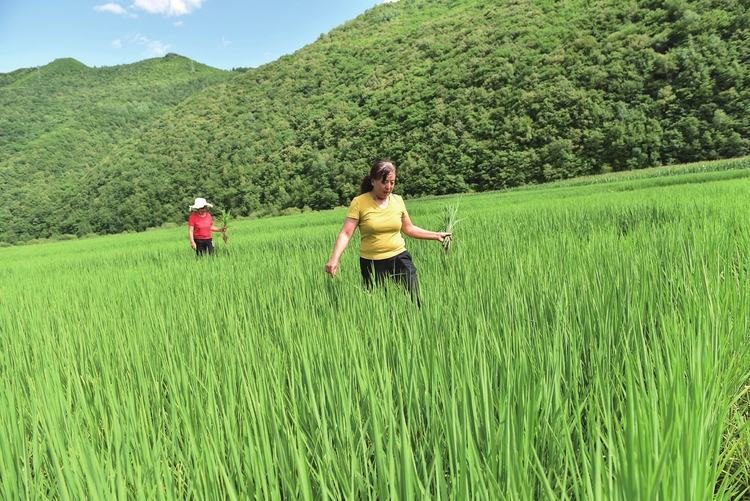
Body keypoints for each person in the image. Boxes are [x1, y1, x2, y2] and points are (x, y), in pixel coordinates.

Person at [325, 160, 451, 304]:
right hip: (372, 262)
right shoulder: (359, 202)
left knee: (415, 299)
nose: (389, 187)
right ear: (373, 181)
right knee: (382, 307)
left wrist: (436, 235)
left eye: (392, 182)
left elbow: (408, 228)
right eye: (384, 182)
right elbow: (346, 233)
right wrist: (335, 258)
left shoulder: (398, 200)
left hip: (399, 257)